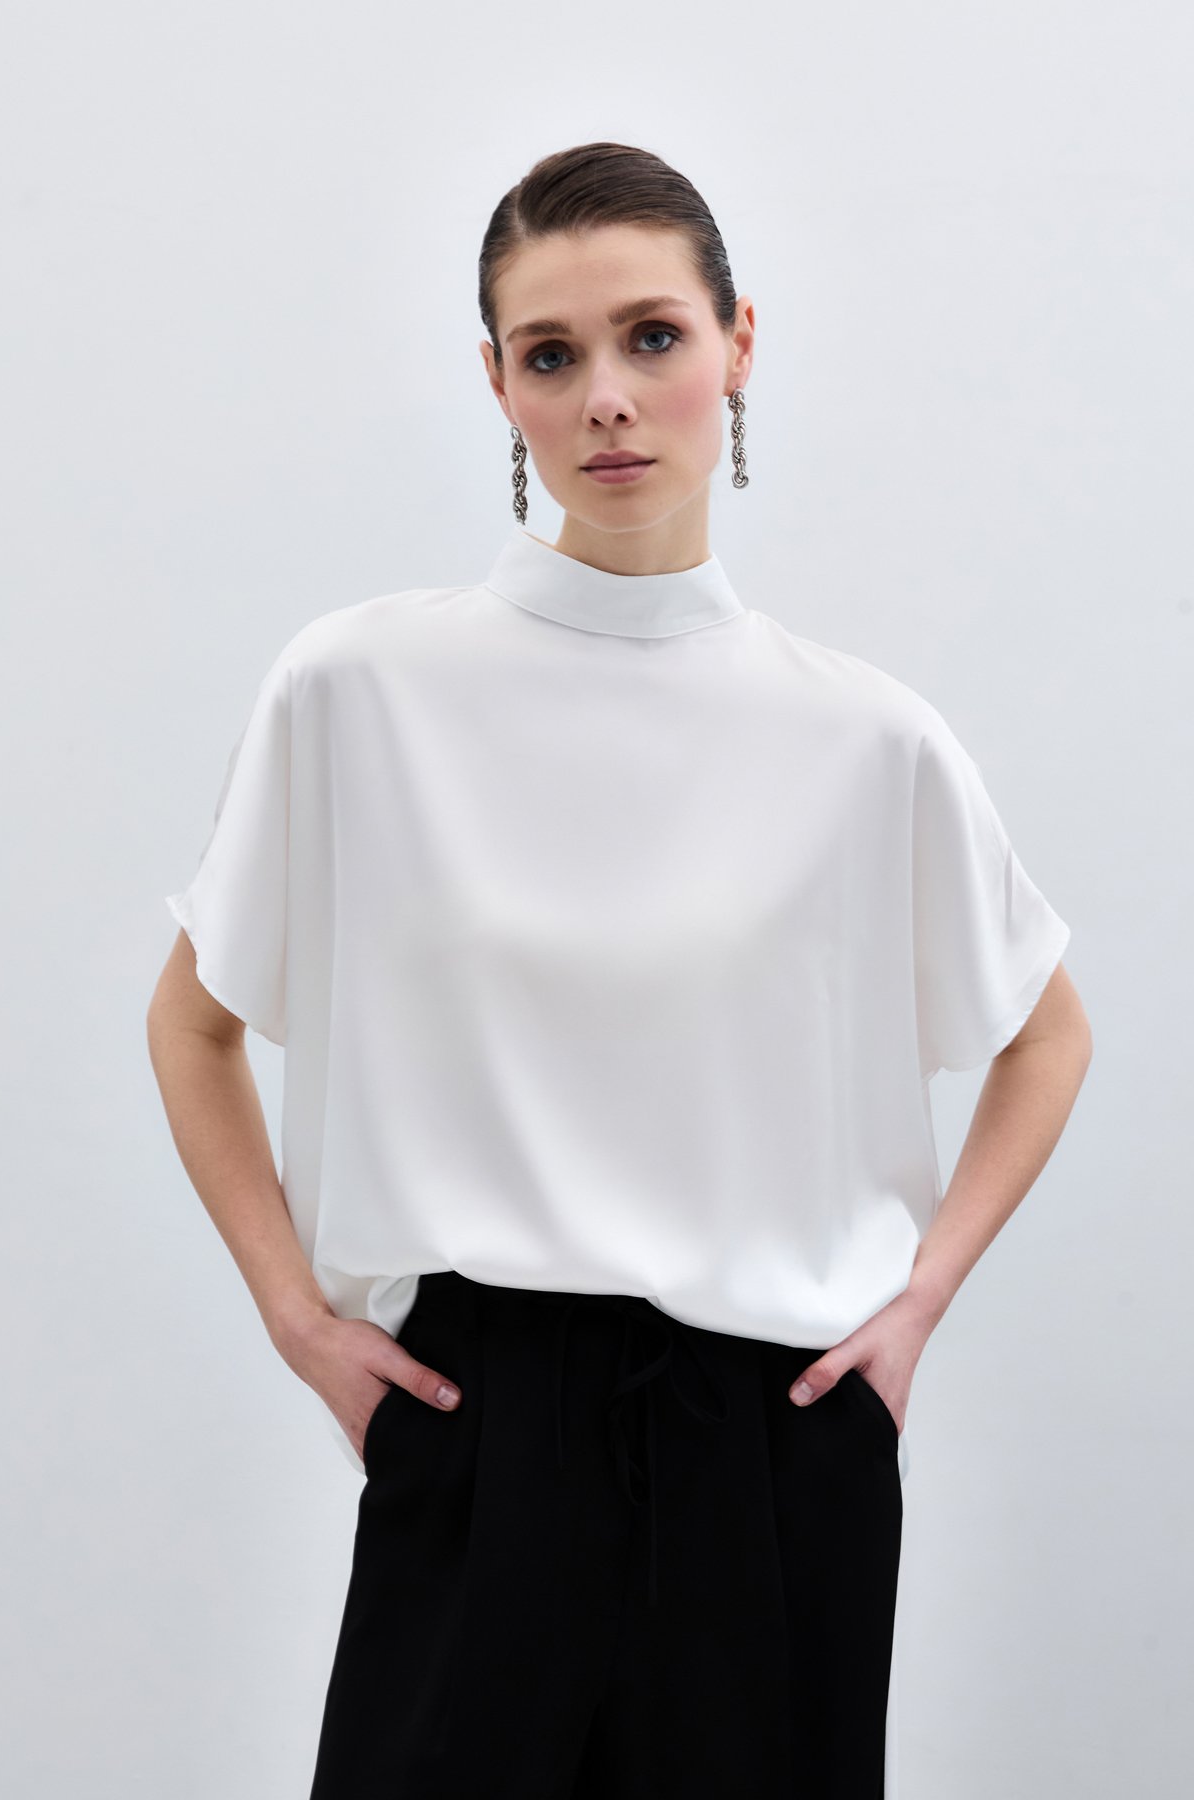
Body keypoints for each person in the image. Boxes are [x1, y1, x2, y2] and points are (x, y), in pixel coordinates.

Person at [147, 141, 1093, 1800]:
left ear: (740, 342)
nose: (606, 399)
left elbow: (1047, 1032)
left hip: (773, 1438)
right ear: (497, 383)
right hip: (478, 1417)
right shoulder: (358, 691)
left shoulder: (864, 739)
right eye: (551, 353)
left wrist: (919, 1302)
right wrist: (298, 1319)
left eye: (653, 336)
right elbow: (194, 1021)